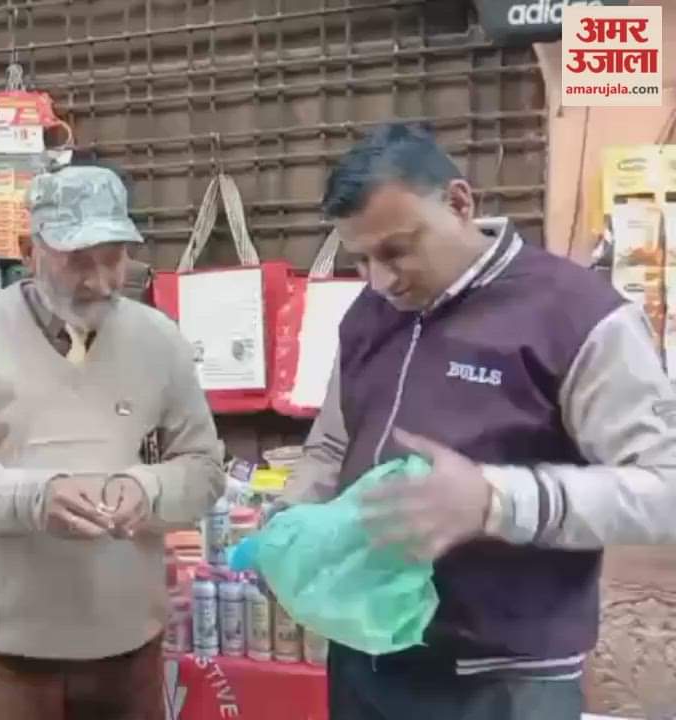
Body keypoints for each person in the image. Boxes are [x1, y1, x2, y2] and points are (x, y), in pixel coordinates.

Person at [284, 122, 676, 719]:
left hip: (505, 675)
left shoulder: (575, 316)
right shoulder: (368, 313)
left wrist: (495, 501)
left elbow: (664, 489)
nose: (381, 281)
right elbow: (336, 438)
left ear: (459, 202)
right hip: (367, 649)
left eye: (397, 250)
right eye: (362, 258)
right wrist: (295, 520)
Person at [0, 165, 225, 719]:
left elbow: (204, 468)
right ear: (30, 249)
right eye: (79, 259)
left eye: (115, 257)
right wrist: (39, 498)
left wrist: (144, 487)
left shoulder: (159, 339)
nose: (102, 281)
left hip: (129, 642)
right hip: (7, 647)